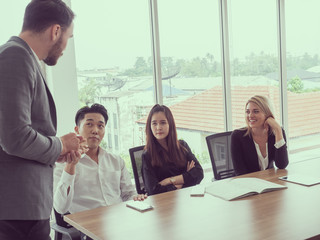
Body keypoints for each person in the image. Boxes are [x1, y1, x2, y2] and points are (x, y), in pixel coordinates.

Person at [0, 1, 82, 240]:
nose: (66, 46)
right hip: (17, 210)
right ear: (55, 31)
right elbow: (14, 137)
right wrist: (61, 144)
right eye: (69, 36)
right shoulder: (15, 57)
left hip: (25, 208)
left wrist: (53, 152)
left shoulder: (21, 57)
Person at [54, 104, 147, 240]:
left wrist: (136, 198)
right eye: (89, 124)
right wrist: (71, 166)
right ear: (77, 130)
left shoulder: (116, 160)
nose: (95, 130)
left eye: (100, 126)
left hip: (122, 221)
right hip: (90, 229)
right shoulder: (63, 164)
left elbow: (128, 194)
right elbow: (60, 207)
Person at [141, 104, 204, 196]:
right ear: (149, 127)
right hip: (164, 205)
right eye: (154, 123)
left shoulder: (182, 146)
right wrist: (184, 178)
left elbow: (199, 173)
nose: (158, 127)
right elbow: (153, 191)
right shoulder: (147, 155)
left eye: (163, 122)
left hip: (187, 199)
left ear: (170, 124)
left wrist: (168, 181)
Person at [231, 95, 289, 176]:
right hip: (247, 184)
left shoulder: (276, 133)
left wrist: (278, 130)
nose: (250, 116)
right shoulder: (238, 136)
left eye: (256, 111)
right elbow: (240, 172)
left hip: (268, 181)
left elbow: (282, 165)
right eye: (247, 112)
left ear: (267, 114)